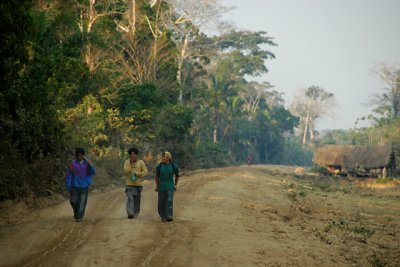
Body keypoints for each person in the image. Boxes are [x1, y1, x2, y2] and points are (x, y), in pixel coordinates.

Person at [65, 148, 96, 222]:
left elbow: (92, 172)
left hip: (84, 186)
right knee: (73, 201)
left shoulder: (87, 163)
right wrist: (68, 184)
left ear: (83, 155)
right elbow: (69, 175)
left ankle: (79, 217)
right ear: (76, 155)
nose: (79, 157)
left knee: (82, 202)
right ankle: (77, 213)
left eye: (81, 155)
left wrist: (91, 165)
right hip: (75, 185)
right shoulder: (72, 163)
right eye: (78, 155)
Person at [155, 151, 180, 222]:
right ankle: (163, 216)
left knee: (169, 200)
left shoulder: (173, 166)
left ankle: (169, 215)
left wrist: (175, 185)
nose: (163, 158)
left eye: (165, 157)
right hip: (161, 186)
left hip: (170, 186)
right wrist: (157, 186)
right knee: (161, 202)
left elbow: (177, 175)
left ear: (168, 158)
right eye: (162, 157)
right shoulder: (159, 166)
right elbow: (157, 177)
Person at [123, 147, 148, 219]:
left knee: (137, 201)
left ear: (136, 155)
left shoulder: (141, 162)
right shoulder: (127, 162)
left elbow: (145, 172)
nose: (132, 156)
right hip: (129, 184)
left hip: (138, 185)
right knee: (130, 198)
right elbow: (125, 171)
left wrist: (138, 173)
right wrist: (131, 164)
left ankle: (135, 213)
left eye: (134, 155)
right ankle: (130, 212)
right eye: (131, 155)